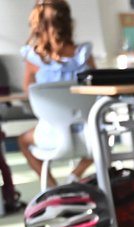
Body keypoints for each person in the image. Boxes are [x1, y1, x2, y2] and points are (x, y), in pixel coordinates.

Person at [18, 0, 95, 188]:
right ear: (69, 23)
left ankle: (52, 187)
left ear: (38, 25)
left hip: (51, 135)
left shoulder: (33, 58)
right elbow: (96, 87)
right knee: (106, 137)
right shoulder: (83, 54)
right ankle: (75, 175)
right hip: (88, 135)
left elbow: (28, 90)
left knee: (22, 141)